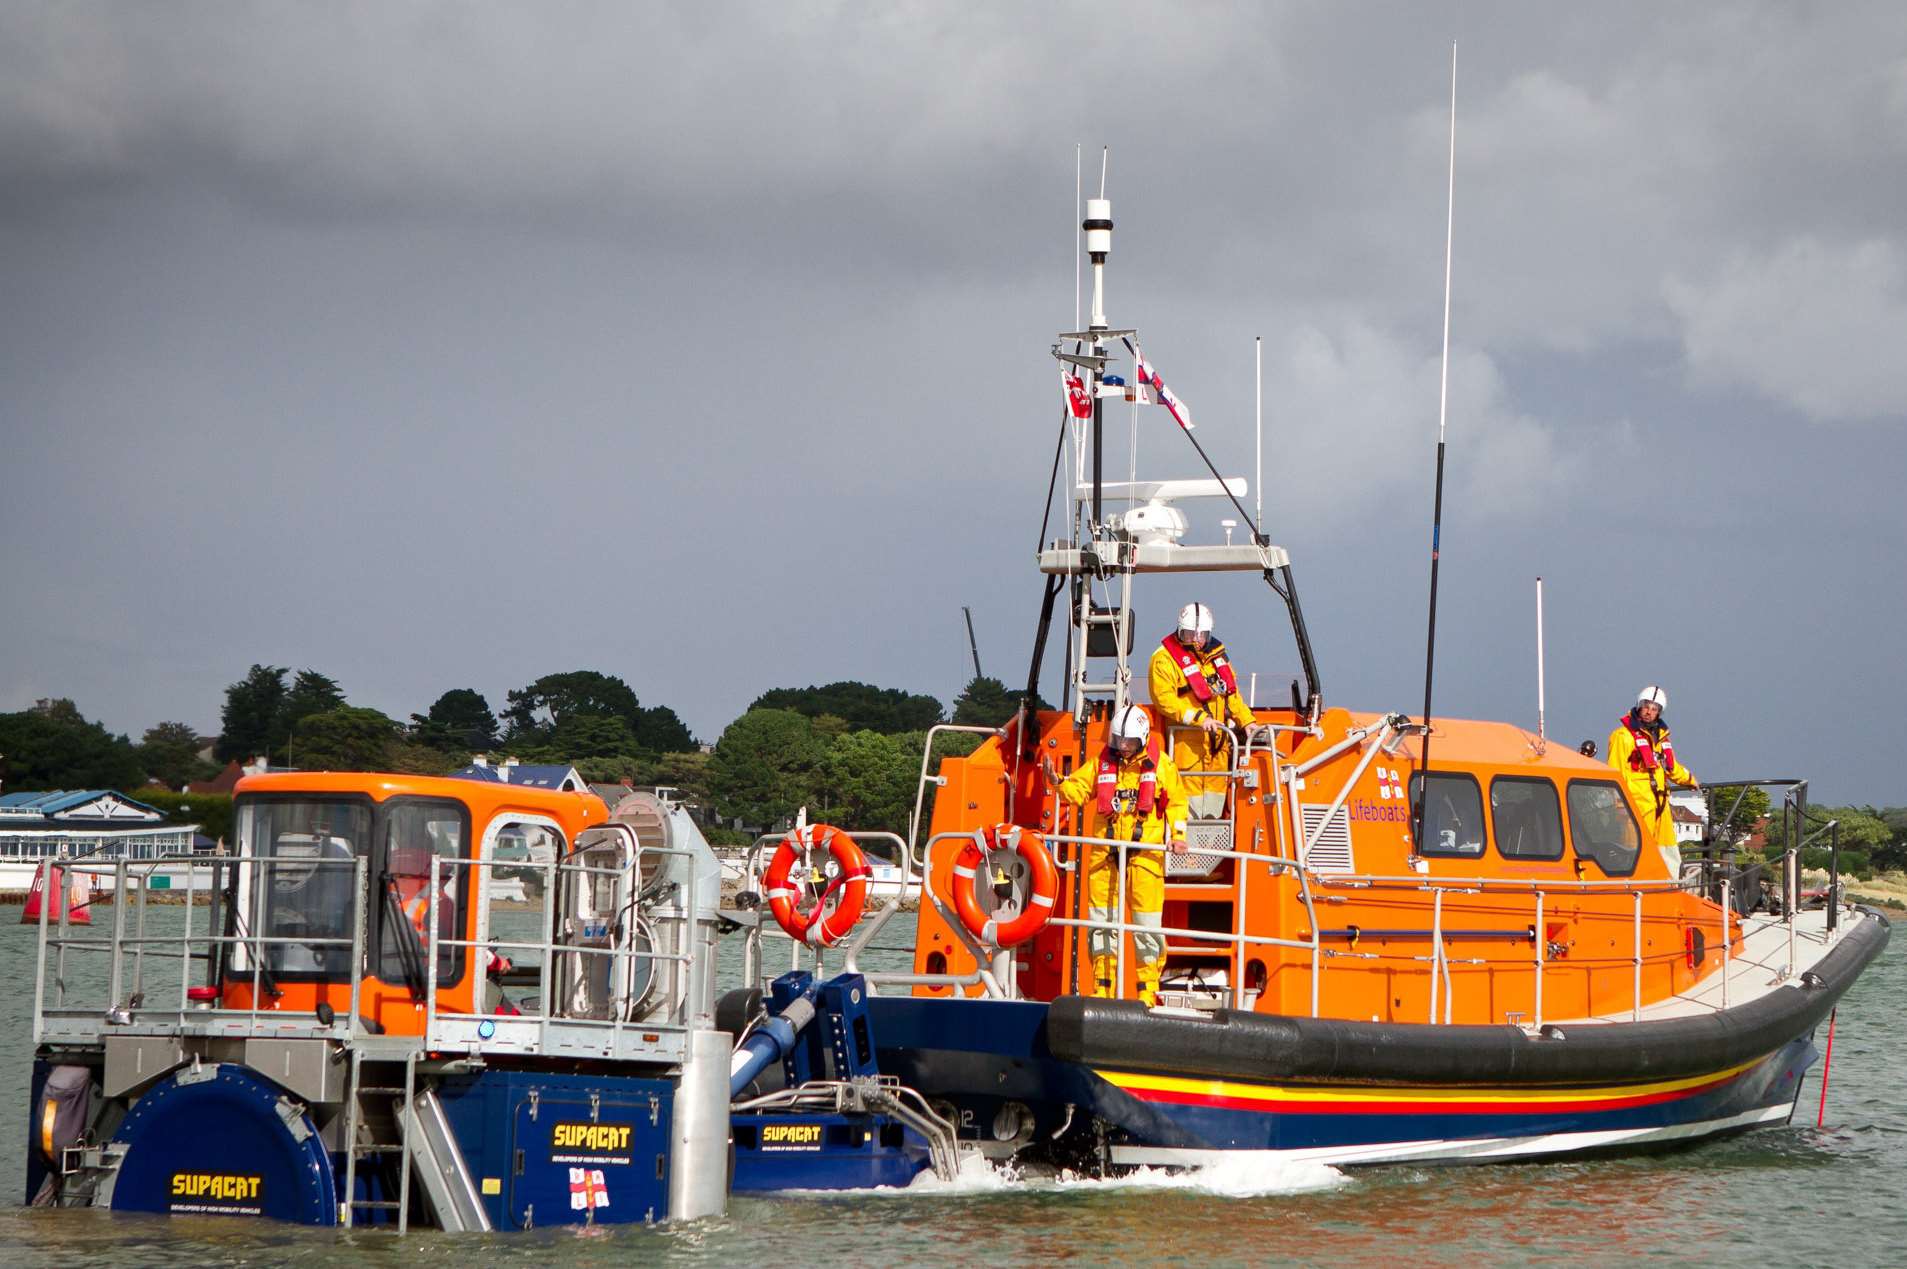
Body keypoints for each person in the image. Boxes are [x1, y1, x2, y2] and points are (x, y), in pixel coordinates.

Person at [1043, 704, 1188, 1007]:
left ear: (1142, 738)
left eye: (1129, 742)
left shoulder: (1162, 767)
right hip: (1105, 854)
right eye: (1119, 741)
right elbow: (1078, 790)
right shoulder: (1102, 764)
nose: (1123, 747)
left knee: (1146, 924)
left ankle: (1147, 991)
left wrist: (1178, 836)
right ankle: (1103, 988)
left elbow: (1176, 803)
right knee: (1101, 923)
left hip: (1145, 855)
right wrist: (1057, 781)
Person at [1147, 602, 1259, 818]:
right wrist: (1199, 718)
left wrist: (1247, 721)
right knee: (1187, 810)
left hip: (1217, 750)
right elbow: (1164, 699)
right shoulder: (1164, 659)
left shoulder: (1217, 658)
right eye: (1189, 634)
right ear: (1180, 631)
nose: (1195, 640)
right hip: (1187, 748)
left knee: (1215, 809)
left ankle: (1212, 849)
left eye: (1201, 635)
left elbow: (1231, 695)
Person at [1607, 685, 1698, 873]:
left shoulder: (1661, 738)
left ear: (1659, 712)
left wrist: (1689, 779)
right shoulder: (1622, 736)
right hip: (1637, 805)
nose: (1649, 711)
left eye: (1654, 708)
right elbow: (1614, 773)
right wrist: (1620, 805)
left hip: (1661, 804)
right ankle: (1635, 889)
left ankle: (1671, 887)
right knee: (1635, 851)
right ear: (1639, 706)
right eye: (1646, 706)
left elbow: (1671, 767)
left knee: (1668, 851)